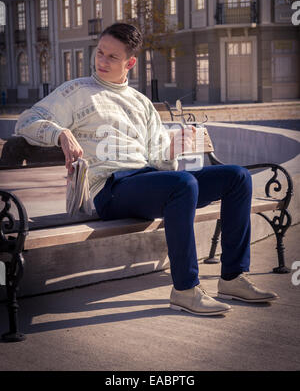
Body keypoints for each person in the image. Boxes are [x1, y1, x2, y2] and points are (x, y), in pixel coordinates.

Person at [15, 22, 278, 316]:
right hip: (109, 189)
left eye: (112, 57)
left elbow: (159, 161)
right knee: (183, 184)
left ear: (130, 62)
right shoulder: (75, 91)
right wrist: (60, 134)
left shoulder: (141, 103)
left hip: (145, 182)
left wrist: (174, 148)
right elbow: (26, 121)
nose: (102, 61)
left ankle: (233, 278)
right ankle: (185, 290)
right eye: (100, 53)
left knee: (237, 178)